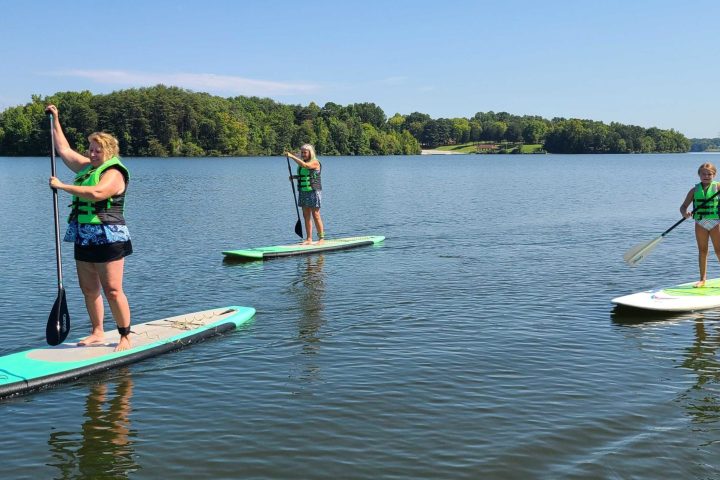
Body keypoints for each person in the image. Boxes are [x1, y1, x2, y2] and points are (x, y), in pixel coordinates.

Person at [46, 104, 133, 351]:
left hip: (109, 235)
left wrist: (62, 187)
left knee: (113, 290)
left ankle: (125, 336)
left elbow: (97, 192)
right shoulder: (87, 168)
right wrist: (56, 119)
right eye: (91, 149)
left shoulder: (114, 173)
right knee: (89, 289)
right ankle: (97, 332)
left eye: (97, 150)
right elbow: (62, 149)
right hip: (84, 235)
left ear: (109, 152)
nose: (92, 154)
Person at [681, 162, 720, 287]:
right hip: (700, 223)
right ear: (699, 175)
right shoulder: (694, 190)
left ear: (714, 175)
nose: (706, 176)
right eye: (703, 174)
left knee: (719, 251)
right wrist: (685, 213)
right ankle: (702, 279)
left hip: (716, 222)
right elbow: (683, 207)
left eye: (709, 174)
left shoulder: (718, 187)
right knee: (702, 251)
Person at [286, 144, 325, 244]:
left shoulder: (315, 162)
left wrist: (292, 156)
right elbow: (304, 175)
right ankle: (309, 239)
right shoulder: (303, 162)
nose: (303, 154)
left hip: (313, 191)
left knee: (315, 214)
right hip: (303, 191)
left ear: (310, 153)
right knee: (306, 215)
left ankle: (321, 239)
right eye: (302, 152)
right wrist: (294, 177)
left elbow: (306, 166)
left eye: (305, 152)